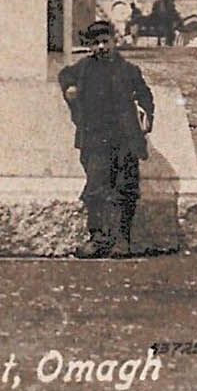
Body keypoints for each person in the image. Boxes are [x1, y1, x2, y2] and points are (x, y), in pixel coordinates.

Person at [58, 18, 155, 258]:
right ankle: (98, 239)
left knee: (126, 189)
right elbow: (64, 75)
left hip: (125, 140)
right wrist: (69, 88)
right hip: (96, 140)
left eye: (105, 41)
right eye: (96, 44)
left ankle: (123, 240)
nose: (101, 47)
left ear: (114, 41)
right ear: (90, 46)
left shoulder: (129, 70)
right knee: (96, 190)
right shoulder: (83, 68)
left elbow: (145, 97)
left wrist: (146, 115)